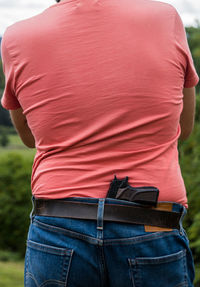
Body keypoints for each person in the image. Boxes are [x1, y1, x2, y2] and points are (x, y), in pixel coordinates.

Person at [1, 0, 199, 286]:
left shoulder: (18, 37)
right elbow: (184, 127)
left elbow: (30, 137)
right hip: (151, 220)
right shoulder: (164, 17)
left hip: (58, 223)